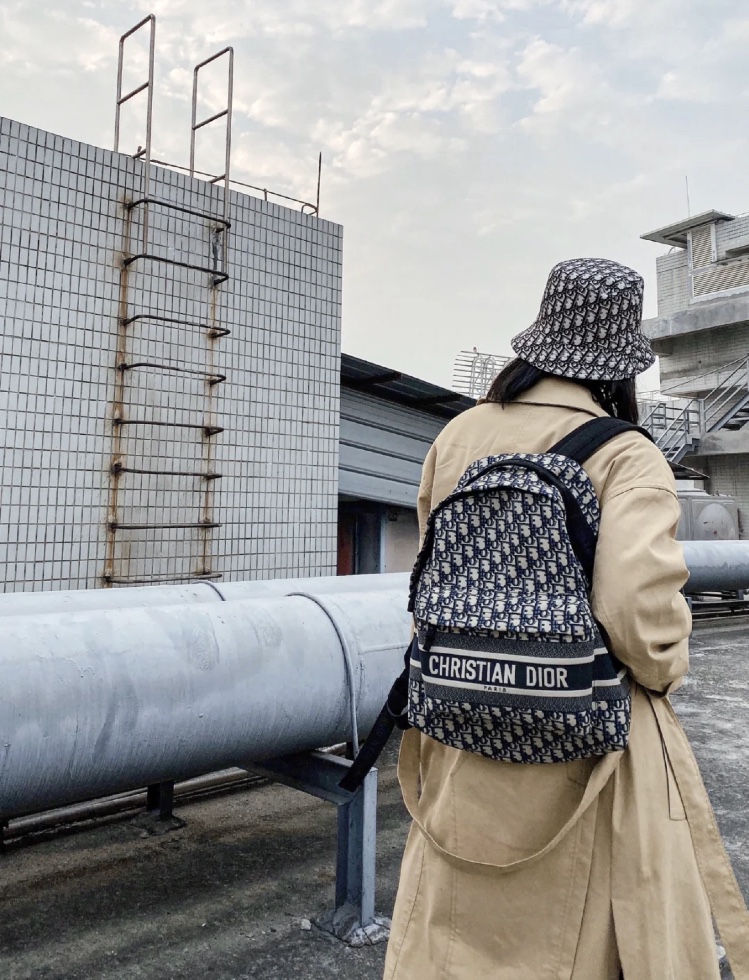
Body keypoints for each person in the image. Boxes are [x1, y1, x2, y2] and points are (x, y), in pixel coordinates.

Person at [383, 258, 749, 980]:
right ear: (619, 363)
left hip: (463, 716)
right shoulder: (625, 452)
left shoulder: (459, 433)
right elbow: (635, 613)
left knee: (454, 926)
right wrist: (665, 669)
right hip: (583, 736)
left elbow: (432, 571)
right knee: (589, 931)